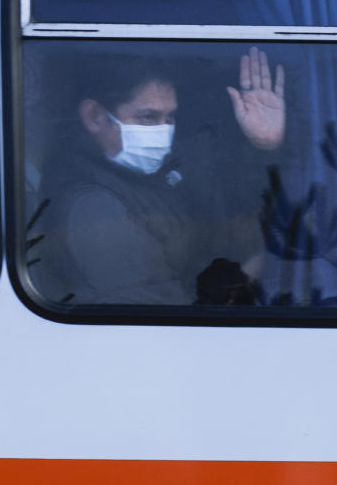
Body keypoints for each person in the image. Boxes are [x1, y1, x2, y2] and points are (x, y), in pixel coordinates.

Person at [31, 47, 285, 305]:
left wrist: (264, 148)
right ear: (94, 117)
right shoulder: (93, 208)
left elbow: (217, 235)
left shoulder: (152, 178)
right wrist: (241, 281)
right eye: (148, 117)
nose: (163, 132)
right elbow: (156, 315)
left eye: (170, 117)